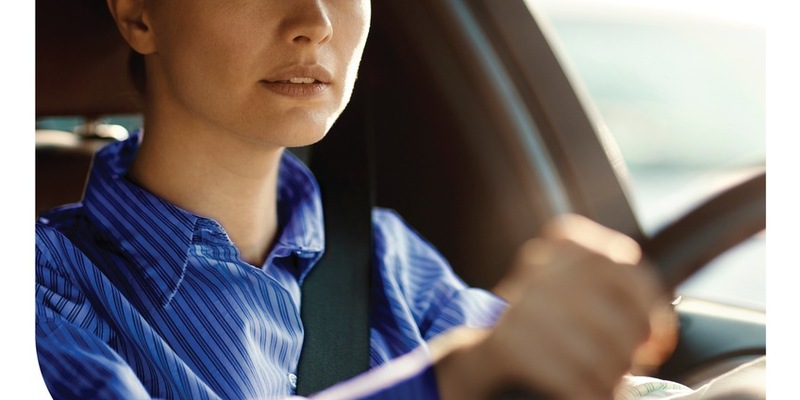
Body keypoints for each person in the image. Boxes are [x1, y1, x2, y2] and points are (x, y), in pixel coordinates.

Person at [35, 0, 697, 399]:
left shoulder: (390, 261)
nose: (315, 23)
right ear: (138, 12)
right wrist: (456, 381)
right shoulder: (38, 290)